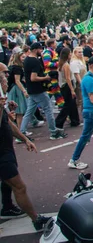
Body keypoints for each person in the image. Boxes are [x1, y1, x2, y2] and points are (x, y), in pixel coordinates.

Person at [0, 95, 51, 230]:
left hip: (6, 150)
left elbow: (8, 124)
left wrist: (25, 139)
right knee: (19, 187)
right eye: (4, 80)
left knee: (7, 182)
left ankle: (7, 207)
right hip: (1, 155)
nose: (5, 87)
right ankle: (36, 220)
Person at [20, 42, 66, 140]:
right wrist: (45, 78)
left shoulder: (27, 60)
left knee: (29, 111)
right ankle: (53, 132)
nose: (42, 51)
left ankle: (21, 133)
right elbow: (33, 77)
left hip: (31, 89)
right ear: (35, 49)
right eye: (40, 49)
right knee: (48, 109)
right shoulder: (35, 61)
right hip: (38, 89)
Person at [55, 47, 80, 128]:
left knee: (71, 104)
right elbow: (68, 78)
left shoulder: (61, 64)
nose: (71, 55)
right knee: (68, 105)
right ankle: (59, 121)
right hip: (67, 86)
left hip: (63, 86)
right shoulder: (66, 65)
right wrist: (72, 90)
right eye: (69, 54)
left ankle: (75, 120)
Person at [6, 51, 29, 134]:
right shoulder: (17, 68)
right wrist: (24, 90)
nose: (24, 58)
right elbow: (17, 81)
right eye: (22, 57)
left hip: (14, 89)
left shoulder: (13, 66)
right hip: (16, 90)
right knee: (19, 112)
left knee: (18, 112)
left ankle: (20, 130)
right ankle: (20, 131)